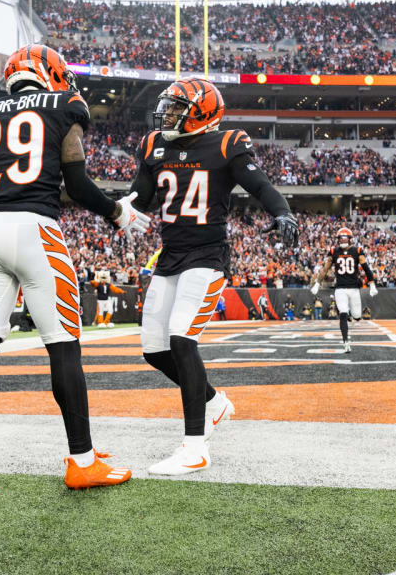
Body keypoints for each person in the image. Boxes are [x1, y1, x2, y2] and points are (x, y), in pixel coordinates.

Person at [0, 44, 144, 500]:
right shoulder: (63, 105)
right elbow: (77, 184)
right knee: (64, 347)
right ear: (51, 73)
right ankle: (83, 461)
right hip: (36, 230)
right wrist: (116, 212)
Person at [126, 77, 297, 476]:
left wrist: (282, 211)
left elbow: (260, 185)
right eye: (167, 106)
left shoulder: (226, 144)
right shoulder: (154, 145)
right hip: (170, 257)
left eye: (175, 108)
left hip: (207, 256)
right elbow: (141, 195)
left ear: (201, 114)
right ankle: (215, 402)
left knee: (182, 340)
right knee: (154, 349)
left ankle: (194, 447)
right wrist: (117, 208)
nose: (166, 114)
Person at [310, 227, 374, 353]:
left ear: (350, 239)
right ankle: (345, 342)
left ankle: (352, 314)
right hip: (340, 289)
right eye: (341, 238)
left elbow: (366, 268)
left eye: (345, 237)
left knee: (357, 316)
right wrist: (317, 283)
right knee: (343, 314)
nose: (343, 240)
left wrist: (372, 284)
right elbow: (325, 268)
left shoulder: (357, 251)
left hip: (354, 288)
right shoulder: (333, 251)